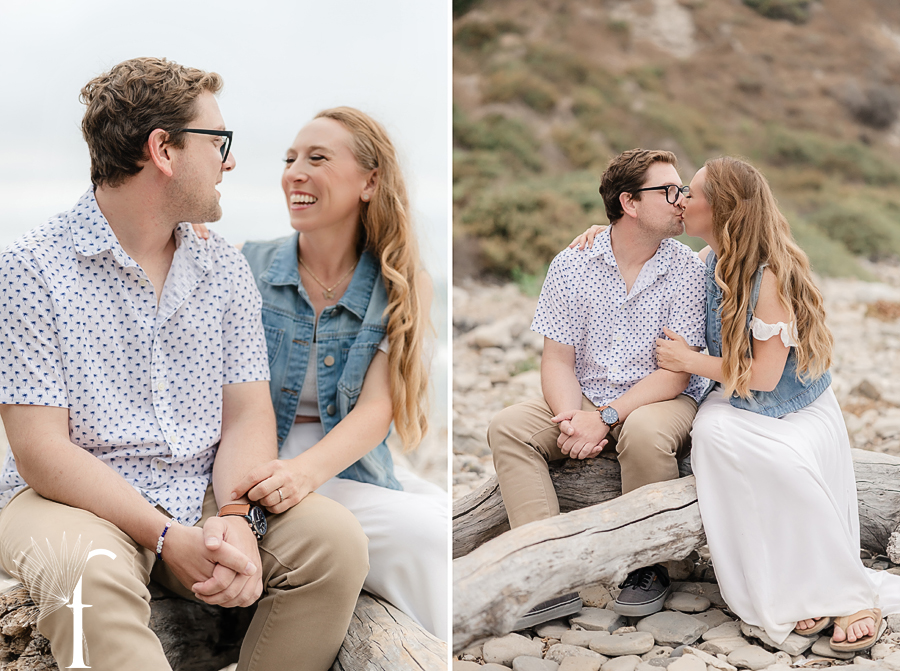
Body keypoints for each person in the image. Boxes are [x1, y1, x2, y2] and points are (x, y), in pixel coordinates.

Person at [0, 57, 369, 671]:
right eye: (218, 142)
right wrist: (168, 538)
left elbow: (249, 414)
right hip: (70, 499)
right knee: (85, 577)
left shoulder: (222, 267)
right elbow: (42, 452)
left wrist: (235, 519)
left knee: (333, 543)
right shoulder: (30, 272)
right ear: (162, 151)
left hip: (202, 493)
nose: (229, 161)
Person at [193, 107, 448, 640]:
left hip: (341, 463)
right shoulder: (246, 264)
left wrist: (302, 475)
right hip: (247, 459)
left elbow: (379, 408)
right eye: (289, 159)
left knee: (438, 523)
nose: (295, 173)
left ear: (369, 182)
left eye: (317, 158)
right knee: (427, 534)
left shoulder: (403, 284)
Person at [651, 156, 900, 651]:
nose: (679, 201)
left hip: (795, 409)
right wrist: (599, 229)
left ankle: (846, 592)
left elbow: (765, 375)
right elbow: (641, 248)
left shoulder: (767, 279)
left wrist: (687, 359)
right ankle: (796, 588)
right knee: (714, 436)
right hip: (742, 401)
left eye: (690, 195)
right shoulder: (708, 261)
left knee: (780, 460)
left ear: (722, 211)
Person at [486, 148, 707, 629]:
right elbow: (557, 359)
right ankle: (549, 571)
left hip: (661, 396)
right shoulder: (572, 263)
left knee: (645, 433)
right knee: (509, 426)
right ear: (630, 203)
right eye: (668, 190)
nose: (681, 199)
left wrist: (604, 418)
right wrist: (570, 419)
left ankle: (648, 564)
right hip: (586, 394)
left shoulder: (688, 269)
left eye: (682, 188)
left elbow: (676, 373)